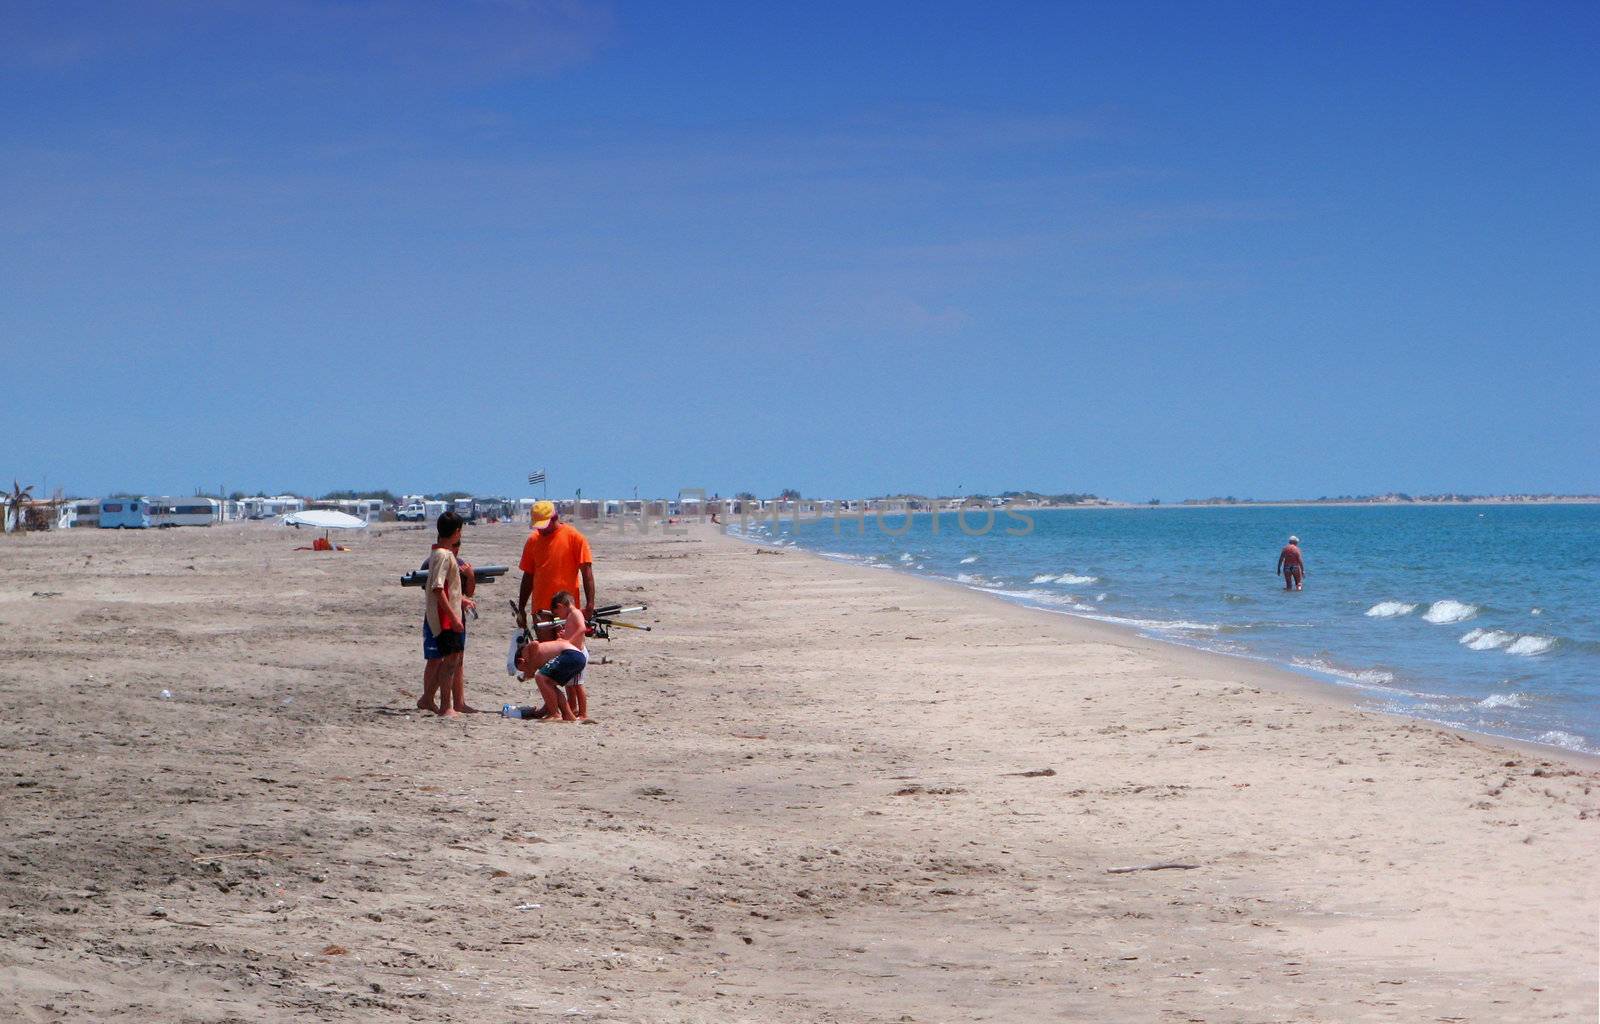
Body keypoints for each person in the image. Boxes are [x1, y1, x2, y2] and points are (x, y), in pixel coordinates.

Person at [419, 511, 477, 716]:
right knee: (450, 660)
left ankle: (430, 699)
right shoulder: (443, 555)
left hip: (445, 616)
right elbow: (438, 588)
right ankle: (446, 705)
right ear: (457, 532)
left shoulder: (439, 553)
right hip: (445, 618)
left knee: (450, 659)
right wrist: (453, 617)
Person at [516, 500, 596, 631]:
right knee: (546, 648)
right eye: (538, 526)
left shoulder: (575, 538)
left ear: (554, 518)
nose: (540, 529)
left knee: (568, 648)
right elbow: (528, 576)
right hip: (541, 609)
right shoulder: (533, 541)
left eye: (543, 525)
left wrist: (590, 605)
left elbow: (587, 575)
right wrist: (521, 608)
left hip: (567, 609)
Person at [525, 590, 589, 723]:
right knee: (571, 684)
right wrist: (564, 635)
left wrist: (568, 642)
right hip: (573, 651)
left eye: (557, 614)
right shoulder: (571, 615)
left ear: (561, 606)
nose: (558, 617)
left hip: (578, 652)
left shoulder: (575, 613)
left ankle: (583, 713)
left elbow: (582, 628)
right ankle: (572, 710)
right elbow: (574, 629)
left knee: (578, 684)